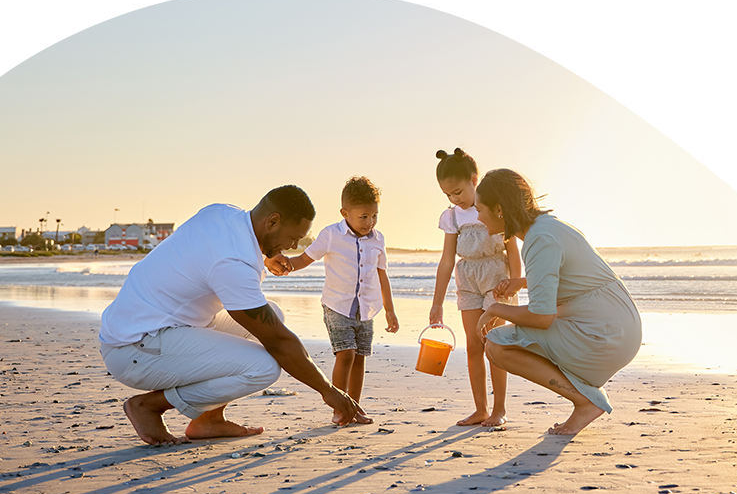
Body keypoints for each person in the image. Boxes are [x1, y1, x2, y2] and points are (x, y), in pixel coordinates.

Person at [99, 185, 363, 446]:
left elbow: (200, 253)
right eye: (294, 238)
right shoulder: (233, 264)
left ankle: (209, 420)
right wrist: (328, 391)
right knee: (264, 367)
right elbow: (280, 343)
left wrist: (263, 256)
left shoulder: (222, 213)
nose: (294, 246)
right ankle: (149, 406)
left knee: (274, 314)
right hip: (133, 348)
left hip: (151, 325)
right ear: (272, 222)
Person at [475, 169, 642, 435]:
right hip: (617, 330)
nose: (478, 217)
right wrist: (523, 282)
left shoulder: (540, 239)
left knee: (496, 344)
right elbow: (571, 277)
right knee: (504, 341)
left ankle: (585, 402)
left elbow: (541, 318)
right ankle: (585, 399)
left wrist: (495, 308)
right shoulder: (547, 228)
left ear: (498, 209)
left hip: (603, 335)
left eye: (479, 209)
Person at [265, 177, 398, 425]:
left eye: (374, 216)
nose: (369, 222)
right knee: (345, 354)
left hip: (366, 309)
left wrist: (390, 310)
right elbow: (306, 258)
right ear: (345, 213)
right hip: (337, 306)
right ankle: (340, 406)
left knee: (359, 358)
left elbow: (382, 274)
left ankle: (354, 407)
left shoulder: (378, 239)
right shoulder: (331, 235)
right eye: (363, 217)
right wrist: (286, 265)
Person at [428, 149, 522, 427]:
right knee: (473, 345)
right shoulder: (452, 217)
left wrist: (514, 284)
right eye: (448, 195)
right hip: (467, 279)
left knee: (495, 343)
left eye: (458, 192)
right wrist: (437, 303)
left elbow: (513, 252)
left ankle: (499, 410)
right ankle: (480, 409)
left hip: (496, 278)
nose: (454, 199)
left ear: (474, 180)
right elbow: (446, 261)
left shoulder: (495, 207)